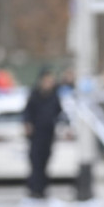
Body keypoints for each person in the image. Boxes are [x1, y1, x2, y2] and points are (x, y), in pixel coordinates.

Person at [23, 69, 62, 199]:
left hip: (48, 133)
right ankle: (34, 188)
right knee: (36, 162)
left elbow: (58, 112)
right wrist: (28, 124)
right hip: (36, 134)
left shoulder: (54, 96)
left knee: (45, 162)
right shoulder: (34, 95)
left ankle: (43, 189)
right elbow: (27, 112)